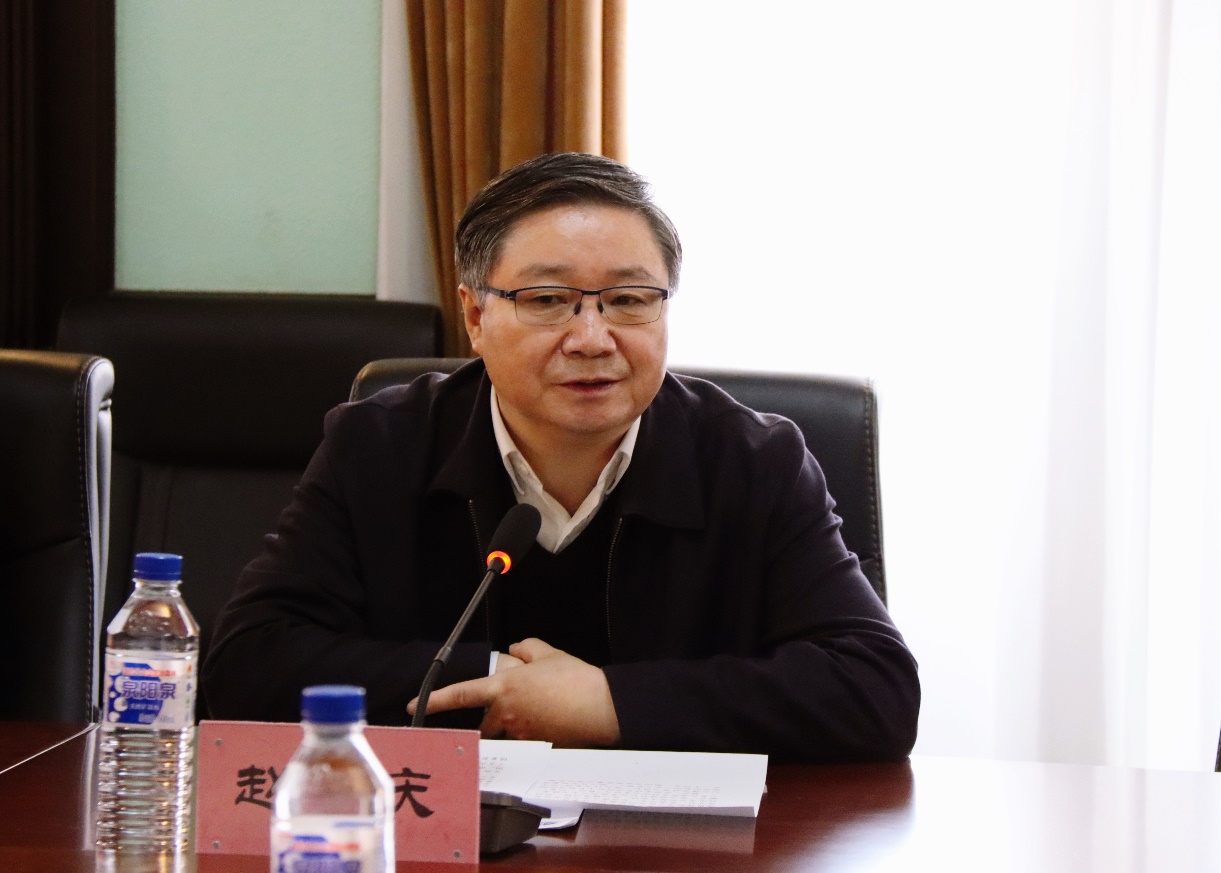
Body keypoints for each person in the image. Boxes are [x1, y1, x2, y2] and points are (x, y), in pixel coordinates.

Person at [202, 152, 920, 762]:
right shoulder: (380, 445)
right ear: (476, 316)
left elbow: (875, 689)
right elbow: (246, 664)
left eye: (629, 299)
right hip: (452, 842)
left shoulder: (753, 462)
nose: (592, 338)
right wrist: (503, 686)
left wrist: (607, 703)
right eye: (547, 299)